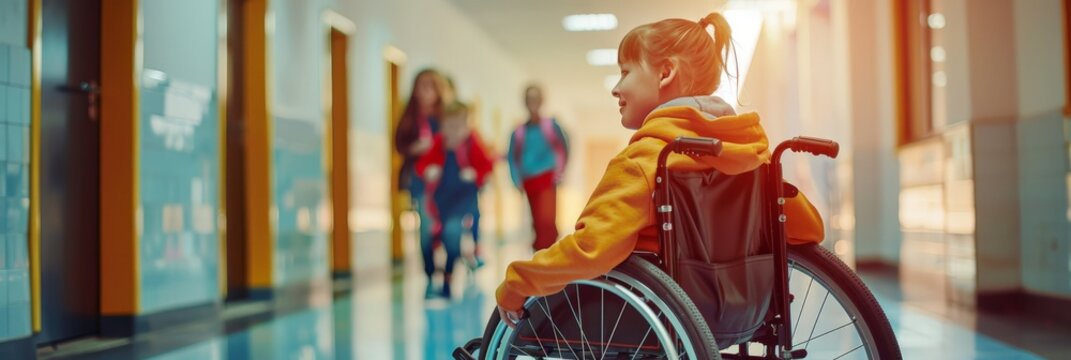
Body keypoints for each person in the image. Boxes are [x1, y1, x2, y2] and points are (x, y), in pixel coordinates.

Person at [495, 12, 826, 325]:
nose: (616, 87)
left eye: (625, 72)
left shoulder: (649, 158)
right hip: (744, 311)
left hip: (653, 317)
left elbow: (590, 249)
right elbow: (807, 230)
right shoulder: (750, 154)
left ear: (665, 73)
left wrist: (517, 283)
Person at [417, 101, 494, 298]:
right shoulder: (438, 143)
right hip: (440, 202)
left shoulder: (471, 143)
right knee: (434, 237)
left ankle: (447, 282)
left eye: (459, 126)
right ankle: (435, 274)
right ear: (443, 126)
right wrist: (428, 170)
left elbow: (487, 166)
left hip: (463, 202)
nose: (454, 131)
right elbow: (422, 165)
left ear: (466, 126)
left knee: (452, 234)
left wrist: (475, 174)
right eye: (450, 126)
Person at [394, 68, 448, 296]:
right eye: (421, 86)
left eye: (430, 86)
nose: (425, 91)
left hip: (444, 182)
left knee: (446, 229)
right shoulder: (410, 118)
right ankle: (429, 273)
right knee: (424, 228)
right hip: (419, 182)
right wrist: (416, 148)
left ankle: (448, 272)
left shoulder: (445, 117)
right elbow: (399, 144)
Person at [506, 85, 569, 251]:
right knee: (537, 221)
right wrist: (516, 180)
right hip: (529, 181)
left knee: (547, 220)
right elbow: (512, 157)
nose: (532, 102)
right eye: (529, 98)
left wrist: (561, 173)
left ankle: (547, 255)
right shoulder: (519, 132)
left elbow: (564, 149)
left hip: (548, 178)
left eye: (535, 98)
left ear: (542, 100)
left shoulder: (551, 127)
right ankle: (541, 256)